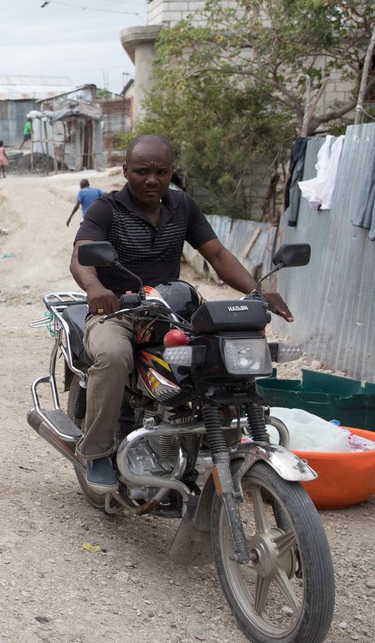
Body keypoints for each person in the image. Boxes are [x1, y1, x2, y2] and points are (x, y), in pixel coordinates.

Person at [70, 135, 293, 492]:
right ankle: (95, 452)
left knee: (215, 352)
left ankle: (211, 436)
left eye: (162, 171)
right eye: (142, 171)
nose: (152, 179)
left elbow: (217, 256)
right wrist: (96, 289)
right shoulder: (106, 209)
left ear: (172, 171)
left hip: (170, 309)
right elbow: (81, 254)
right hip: (118, 312)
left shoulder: (182, 207)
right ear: (126, 171)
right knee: (114, 356)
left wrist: (256, 292)